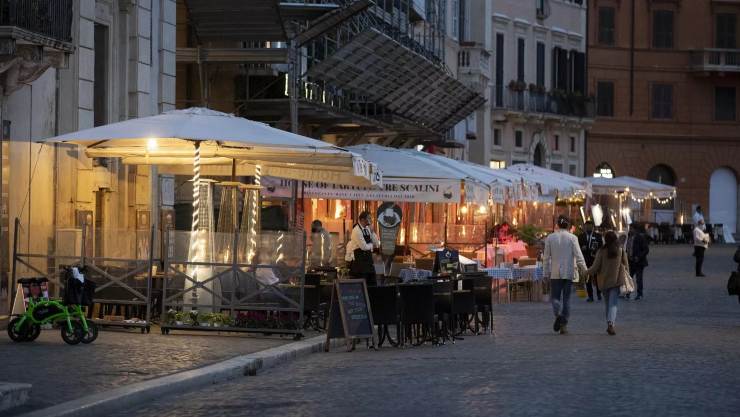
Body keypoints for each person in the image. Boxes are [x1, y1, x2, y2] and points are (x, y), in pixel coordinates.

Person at [543, 215, 587, 335]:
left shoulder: (550, 238)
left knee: (555, 298)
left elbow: (546, 258)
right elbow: (579, 256)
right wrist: (585, 270)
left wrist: (545, 273)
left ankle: (558, 315)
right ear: (568, 225)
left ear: (557, 224)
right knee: (567, 299)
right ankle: (564, 323)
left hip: (555, 272)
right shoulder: (573, 238)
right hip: (569, 272)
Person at [587, 231, 629, 335]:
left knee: (607, 304)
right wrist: (627, 276)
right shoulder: (620, 250)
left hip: (603, 282)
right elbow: (626, 265)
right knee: (613, 303)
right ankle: (611, 323)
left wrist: (585, 272)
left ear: (605, 240)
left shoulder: (601, 251)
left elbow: (595, 267)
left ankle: (609, 323)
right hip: (616, 281)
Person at [345, 211, 380, 286]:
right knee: (362, 285)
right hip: (360, 263)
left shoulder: (367, 229)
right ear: (362, 220)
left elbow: (376, 244)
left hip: (369, 261)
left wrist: (373, 232)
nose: (371, 220)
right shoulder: (356, 230)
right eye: (369, 218)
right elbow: (363, 247)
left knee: (373, 284)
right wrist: (371, 245)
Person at [578, 221, 604, 302]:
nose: (588, 228)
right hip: (585, 260)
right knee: (587, 278)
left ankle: (599, 293)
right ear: (584, 227)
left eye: (590, 226)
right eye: (586, 226)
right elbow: (577, 248)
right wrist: (582, 249)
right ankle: (590, 296)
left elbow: (601, 247)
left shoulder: (598, 236)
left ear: (593, 227)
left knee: (597, 278)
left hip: (595, 260)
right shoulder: (581, 237)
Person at [625, 223, 649, 300]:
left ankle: (639, 294)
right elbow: (627, 247)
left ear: (635, 229)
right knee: (629, 278)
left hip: (638, 262)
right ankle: (627, 293)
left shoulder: (640, 237)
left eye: (631, 228)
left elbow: (646, 250)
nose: (630, 230)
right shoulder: (629, 237)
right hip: (630, 261)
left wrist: (638, 257)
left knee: (639, 279)